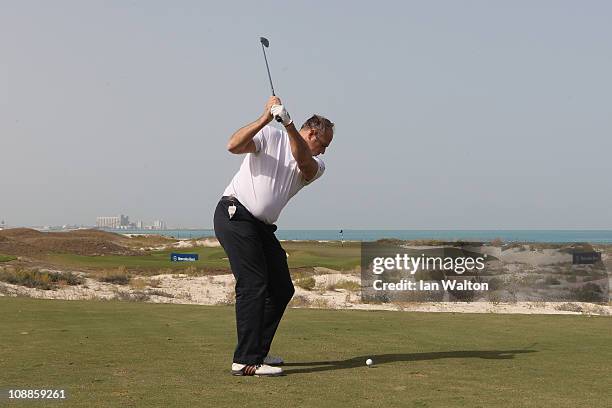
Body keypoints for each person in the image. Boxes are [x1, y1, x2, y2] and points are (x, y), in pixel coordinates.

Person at [213, 96, 334, 376]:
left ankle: (258, 351)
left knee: (281, 288)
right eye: (323, 145)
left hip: (262, 228)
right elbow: (233, 145)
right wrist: (265, 118)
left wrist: (289, 125)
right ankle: (245, 361)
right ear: (313, 133)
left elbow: (303, 161)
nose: (324, 152)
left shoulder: (316, 165)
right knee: (254, 283)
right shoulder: (269, 135)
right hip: (235, 214)